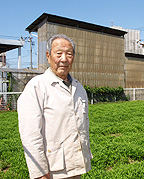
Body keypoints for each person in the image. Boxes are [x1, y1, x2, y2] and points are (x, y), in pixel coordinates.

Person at [18, 34, 92, 179]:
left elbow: (83, 126)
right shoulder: (37, 86)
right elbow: (30, 135)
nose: (64, 59)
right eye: (59, 53)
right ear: (48, 56)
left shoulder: (79, 88)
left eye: (69, 54)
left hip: (76, 167)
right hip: (52, 170)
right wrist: (40, 173)